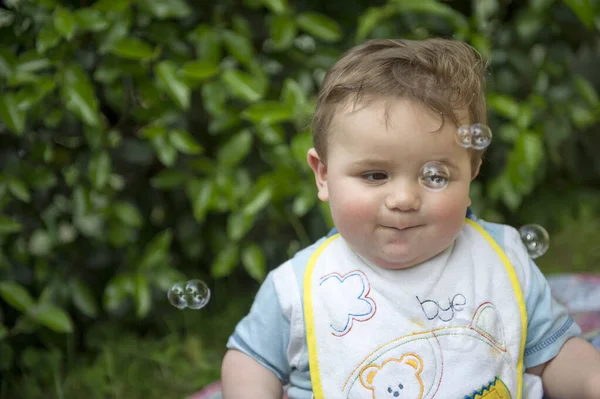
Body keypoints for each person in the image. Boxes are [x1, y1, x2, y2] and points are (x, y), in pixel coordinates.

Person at [220, 38, 600, 399]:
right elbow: (251, 360)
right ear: (323, 174)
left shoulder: (502, 258)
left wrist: (589, 380)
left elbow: (553, 355)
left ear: (471, 172)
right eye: (374, 175)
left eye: (435, 176)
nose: (403, 199)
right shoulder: (298, 288)